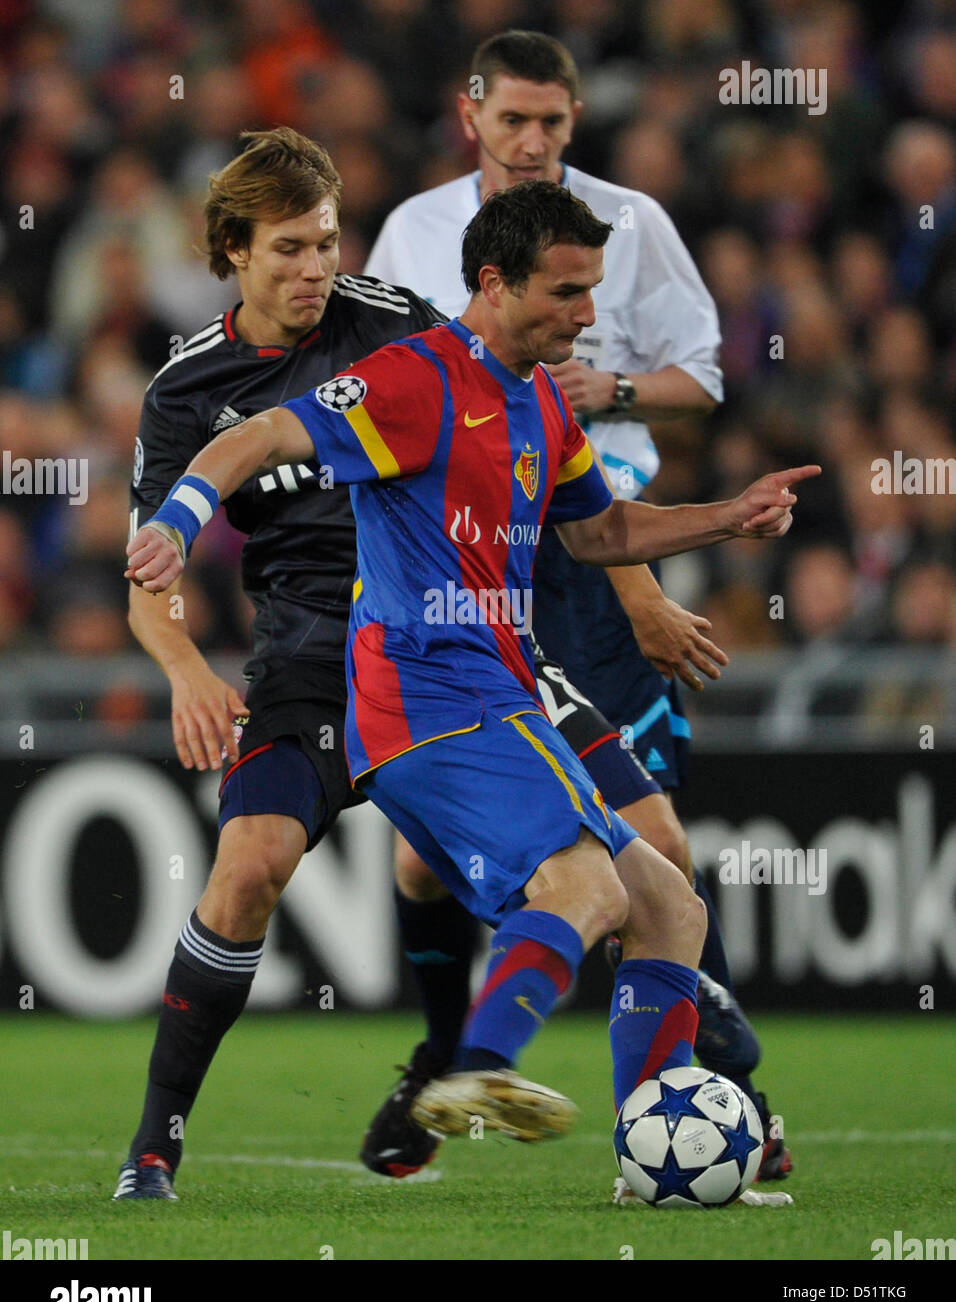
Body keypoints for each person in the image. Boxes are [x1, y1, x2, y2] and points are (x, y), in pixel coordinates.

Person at [127, 179, 819, 1163]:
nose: (587, 315)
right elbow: (260, 433)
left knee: (669, 901)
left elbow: (600, 529)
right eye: (567, 292)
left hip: (505, 684)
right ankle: (470, 1061)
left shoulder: (538, 395)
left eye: (592, 291)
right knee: (583, 885)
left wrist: (726, 514)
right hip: (421, 698)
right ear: (494, 284)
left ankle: (654, 1151)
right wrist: (182, 522)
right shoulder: (415, 379)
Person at [363, 29, 791, 1186]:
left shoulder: (629, 223)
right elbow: (394, 417)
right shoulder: (411, 232)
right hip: (469, 571)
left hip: (599, 557)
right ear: (472, 116)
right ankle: (450, 1055)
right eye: (515, 121)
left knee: (650, 851)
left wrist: (610, 392)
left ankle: (706, 1095)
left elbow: (702, 378)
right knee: (429, 865)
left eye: (554, 122)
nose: (536, 142)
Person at [113, 126, 444, 1200]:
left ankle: (451, 1069)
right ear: (232, 252)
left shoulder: (393, 324)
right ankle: (154, 1145)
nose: (315, 270)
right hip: (305, 650)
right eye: (289, 250)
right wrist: (185, 666)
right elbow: (150, 570)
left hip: (434, 638)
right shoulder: (185, 389)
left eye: (325, 244)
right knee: (248, 865)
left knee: (532, 862)